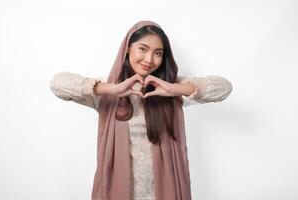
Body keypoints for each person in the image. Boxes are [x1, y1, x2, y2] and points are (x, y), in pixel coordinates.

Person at [49, 20, 232, 200]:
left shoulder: (171, 89)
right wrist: (112, 89)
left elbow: (224, 88)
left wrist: (175, 89)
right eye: (143, 49)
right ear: (128, 48)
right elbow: (57, 84)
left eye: (158, 53)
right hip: (118, 191)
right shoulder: (106, 89)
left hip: (164, 192)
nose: (149, 60)